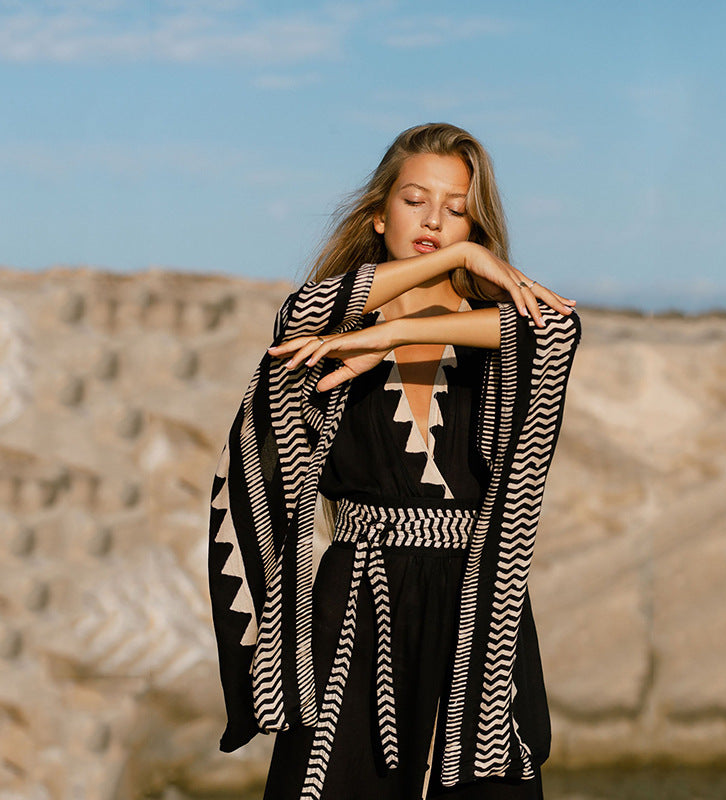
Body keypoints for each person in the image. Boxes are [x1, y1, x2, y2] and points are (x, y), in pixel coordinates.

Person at [208, 122, 581, 800]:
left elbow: (554, 330)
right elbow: (304, 312)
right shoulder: (329, 334)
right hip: (355, 603)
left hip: (476, 606)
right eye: (416, 200)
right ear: (380, 213)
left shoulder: (493, 339)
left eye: (458, 207)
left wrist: (404, 330)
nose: (435, 219)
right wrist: (422, 284)